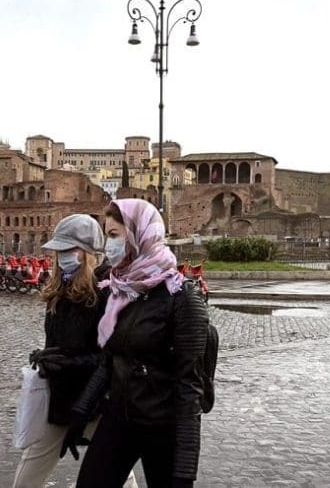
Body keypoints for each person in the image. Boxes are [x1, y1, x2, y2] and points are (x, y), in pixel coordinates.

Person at [62, 199, 210, 488]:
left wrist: (184, 471)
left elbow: (189, 389)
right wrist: (80, 412)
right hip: (119, 418)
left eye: (115, 235)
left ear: (139, 235)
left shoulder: (182, 299)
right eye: (107, 236)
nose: (109, 245)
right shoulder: (123, 290)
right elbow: (110, 360)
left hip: (162, 428)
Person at [12, 213, 108, 488]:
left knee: (115, 476)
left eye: (70, 249)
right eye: (60, 250)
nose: (62, 255)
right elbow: (57, 342)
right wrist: (44, 357)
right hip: (58, 400)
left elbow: (111, 357)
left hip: (93, 403)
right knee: (25, 481)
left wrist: (69, 363)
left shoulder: (105, 291)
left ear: (89, 252)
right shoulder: (59, 288)